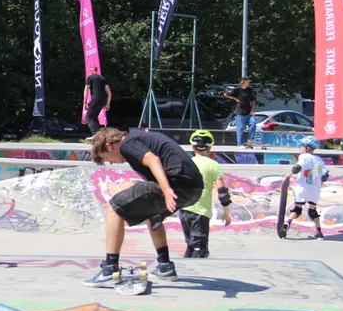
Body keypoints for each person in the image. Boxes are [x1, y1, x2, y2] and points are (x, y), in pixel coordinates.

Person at [83, 128, 204, 287]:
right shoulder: (141, 139)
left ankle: (110, 269)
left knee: (113, 208)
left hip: (175, 184)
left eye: (107, 158)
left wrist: (166, 190)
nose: (111, 162)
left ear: (110, 145)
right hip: (194, 188)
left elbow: (153, 160)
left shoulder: (127, 144)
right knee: (151, 213)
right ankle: (165, 266)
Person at [179, 130, 232, 258]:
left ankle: (185, 274)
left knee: (191, 246)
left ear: (193, 147)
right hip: (201, 212)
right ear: (209, 148)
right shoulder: (213, 165)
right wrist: (226, 213)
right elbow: (223, 194)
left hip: (184, 210)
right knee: (199, 249)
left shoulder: (186, 162)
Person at [282, 136, 329, 239]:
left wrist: (288, 175)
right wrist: (320, 181)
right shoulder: (319, 160)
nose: (301, 148)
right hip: (314, 189)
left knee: (297, 209)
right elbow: (326, 175)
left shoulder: (304, 156)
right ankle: (319, 232)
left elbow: (297, 168)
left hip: (302, 187)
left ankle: (287, 223)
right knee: (312, 211)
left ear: (308, 148)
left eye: (302, 146)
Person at [225, 77, 257, 148]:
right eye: (247, 82)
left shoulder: (249, 90)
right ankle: (240, 143)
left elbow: (253, 101)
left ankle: (250, 140)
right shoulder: (237, 89)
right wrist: (235, 99)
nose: (248, 83)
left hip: (248, 112)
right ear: (243, 82)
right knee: (240, 128)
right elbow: (226, 94)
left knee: (253, 123)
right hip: (240, 112)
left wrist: (252, 110)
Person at [82, 66, 111, 137]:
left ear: (90, 71)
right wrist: (108, 103)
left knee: (89, 117)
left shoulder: (90, 77)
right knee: (94, 117)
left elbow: (86, 89)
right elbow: (109, 92)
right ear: (97, 70)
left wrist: (85, 102)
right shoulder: (102, 78)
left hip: (95, 99)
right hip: (103, 100)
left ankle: (96, 136)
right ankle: (100, 135)